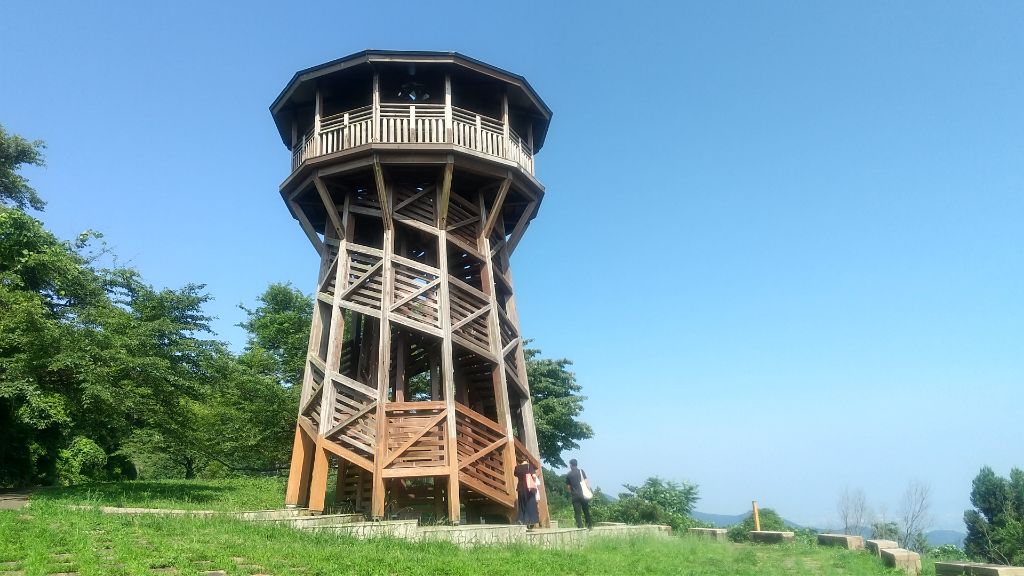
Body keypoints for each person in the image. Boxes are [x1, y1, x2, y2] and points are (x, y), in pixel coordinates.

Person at [565, 458, 593, 529]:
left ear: (571, 465)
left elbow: (568, 488)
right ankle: (589, 526)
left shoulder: (568, 475)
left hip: (575, 496)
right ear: (576, 464)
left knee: (577, 513)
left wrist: (572, 492)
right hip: (583, 495)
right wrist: (589, 490)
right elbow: (586, 482)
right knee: (586, 511)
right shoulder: (581, 471)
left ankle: (580, 527)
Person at [514, 458, 540, 528]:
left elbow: (516, 475)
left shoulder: (517, 468)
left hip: (520, 488)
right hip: (529, 488)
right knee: (530, 504)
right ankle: (530, 520)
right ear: (527, 460)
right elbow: (534, 476)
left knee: (522, 504)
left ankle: (521, 519)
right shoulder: (529, 466)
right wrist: (534, 481)